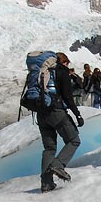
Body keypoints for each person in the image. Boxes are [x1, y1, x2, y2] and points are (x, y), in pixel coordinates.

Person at [38, 52, 84, 193]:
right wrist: (77, 114)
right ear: (64, 62)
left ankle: (46, 183)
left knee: (49, 148)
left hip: (40, 114)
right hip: (56, 112)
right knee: (74, 140)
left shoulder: (41, 72)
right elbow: (68, 97)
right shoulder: (61, 71)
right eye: (67, 63)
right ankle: (58, 165)